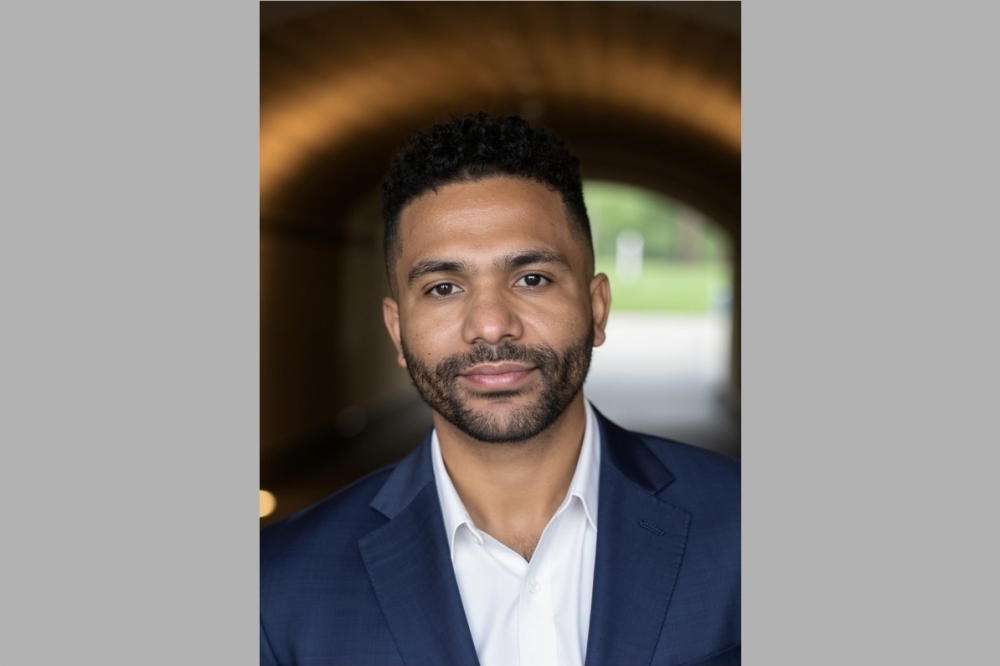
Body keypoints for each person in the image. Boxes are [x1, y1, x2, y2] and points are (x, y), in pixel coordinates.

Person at [260, 112, 740, 666]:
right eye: (443, 287)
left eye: (531, 279)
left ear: (596, 307)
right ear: (397, 330)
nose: (490, 325)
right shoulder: (277, 588)